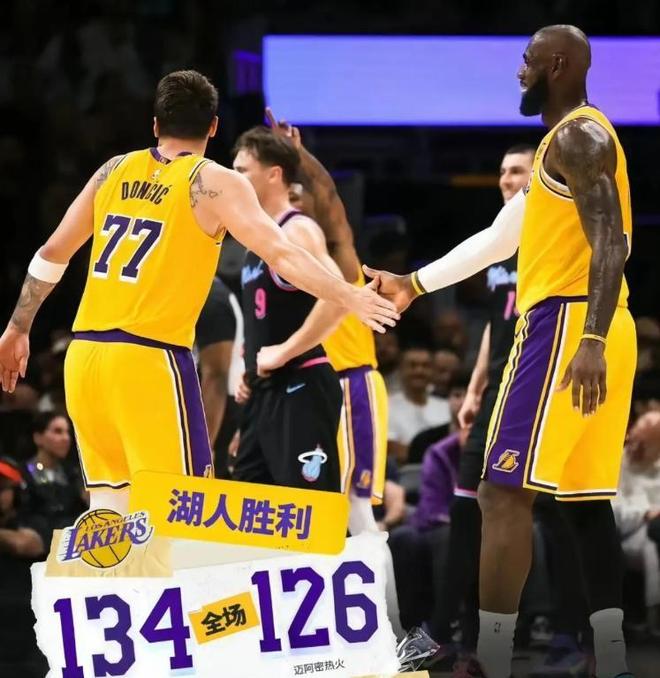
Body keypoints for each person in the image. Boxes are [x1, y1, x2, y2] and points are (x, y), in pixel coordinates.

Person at [0, 70, 398, 515]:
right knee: (178, 513)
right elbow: (283, 254)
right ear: (213, 127)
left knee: (109, 510)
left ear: (155, 124)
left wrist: (18, 327)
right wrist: (350, 295)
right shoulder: (213, 180)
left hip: (85, 359)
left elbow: (51, 254)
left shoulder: (113, 170)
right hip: (148, 359)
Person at [366, 26, 635, 678]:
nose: (519, 72)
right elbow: (496, 240)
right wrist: (413, 284)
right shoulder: (559, 145)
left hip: (571, 322)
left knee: (501, 492)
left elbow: (613, 242)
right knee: (584, 501)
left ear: (558, 64)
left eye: (528, 61)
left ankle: (489, 658)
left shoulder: (579, 136)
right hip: (596, 322)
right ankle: (612, 658)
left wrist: (591, 339)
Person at [256, 112, 406, 638]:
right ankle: (326, 630)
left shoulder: (337, 255)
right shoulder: (276, 263)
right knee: (308, 515)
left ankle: (392, 633)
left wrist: (297, 156)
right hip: (306, 391)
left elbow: (330, 201)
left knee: (357, 512)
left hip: (351, 383)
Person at [231, 126, 349, 492]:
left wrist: (283, 352)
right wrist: (250, 372)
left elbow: (340, 297)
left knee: (308, 511)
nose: (234, 180)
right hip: (264, 394)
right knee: (249, 509)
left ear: (274, 174)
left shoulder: (296, 230)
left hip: (302, 384)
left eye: (242, 171)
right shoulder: (256, 240)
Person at [0, 456, 50, 678]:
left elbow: (27, 544)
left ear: (18, 494)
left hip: (29, 653)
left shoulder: (34, 521)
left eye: (1, 488)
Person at [613, 410, 660, 637]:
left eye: (644, 443)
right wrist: (644, 513)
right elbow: (612, 512)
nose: (634, 446)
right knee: (653, 541)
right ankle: (654, 614)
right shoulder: (616, 463)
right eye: (634, 438)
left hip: (652, 532)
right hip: (627, 535)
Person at [195, 274, 243, 477]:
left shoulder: (212, 299)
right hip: (211, 403)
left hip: (222, 411)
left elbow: (217, 376)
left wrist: (202, 451)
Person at [23, 411, 87, 530]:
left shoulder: (74, 474)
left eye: (67, 432)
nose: (66, 438)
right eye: (58, 431)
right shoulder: (23, 474)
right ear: (38, 438)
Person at [388, 345, 451, 464]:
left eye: (425, 366)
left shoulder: (446, 406)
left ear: (433, 371)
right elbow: (391, 448)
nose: (419, 371)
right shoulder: (386, 406)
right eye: (412, 365)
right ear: (400, 369)